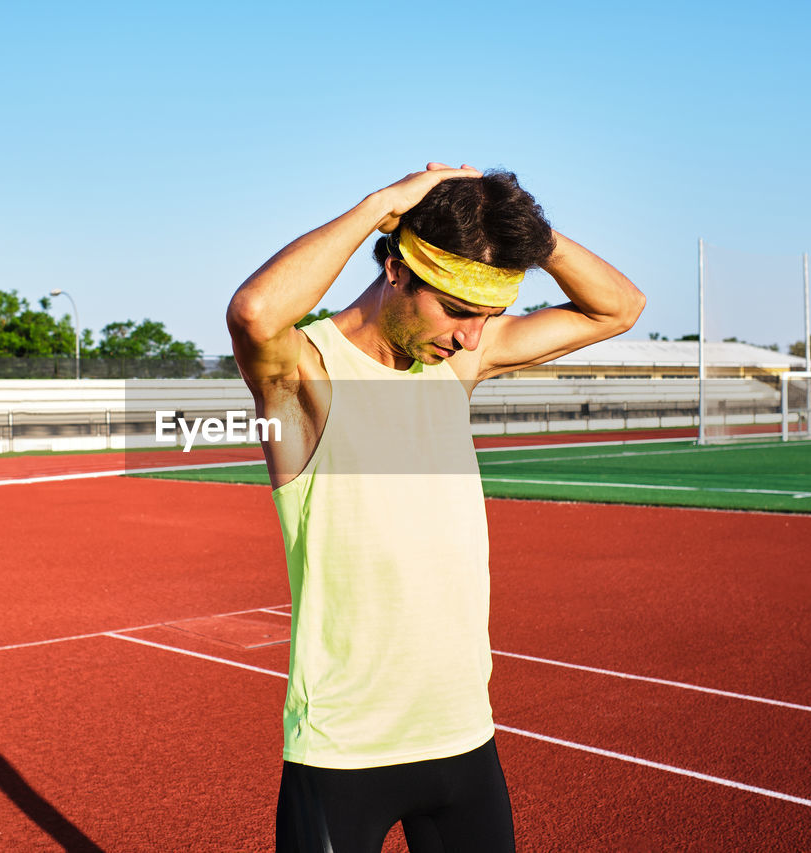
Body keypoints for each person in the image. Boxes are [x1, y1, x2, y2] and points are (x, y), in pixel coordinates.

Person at [226, 163, 645, 852]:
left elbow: (619, 307)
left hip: (463, 737)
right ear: (395, 268)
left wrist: (526, 230)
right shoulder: (306, 375)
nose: (473, 337)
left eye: (489, 317)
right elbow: (254, 311)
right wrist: (383, 204)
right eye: (457, 310)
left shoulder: (454, 367)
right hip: (343, 750)